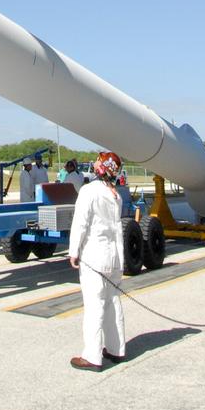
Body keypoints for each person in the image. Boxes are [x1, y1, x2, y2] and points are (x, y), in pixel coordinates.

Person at [67, 150, 126, 371]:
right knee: (113, 302)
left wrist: (74, 250)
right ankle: (116, 349)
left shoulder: (89, 191)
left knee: (94, 305)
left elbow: (80, 223)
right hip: (114, 256)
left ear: (100, 168)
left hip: (95, 255)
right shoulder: (115, 195)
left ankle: (92, 356)